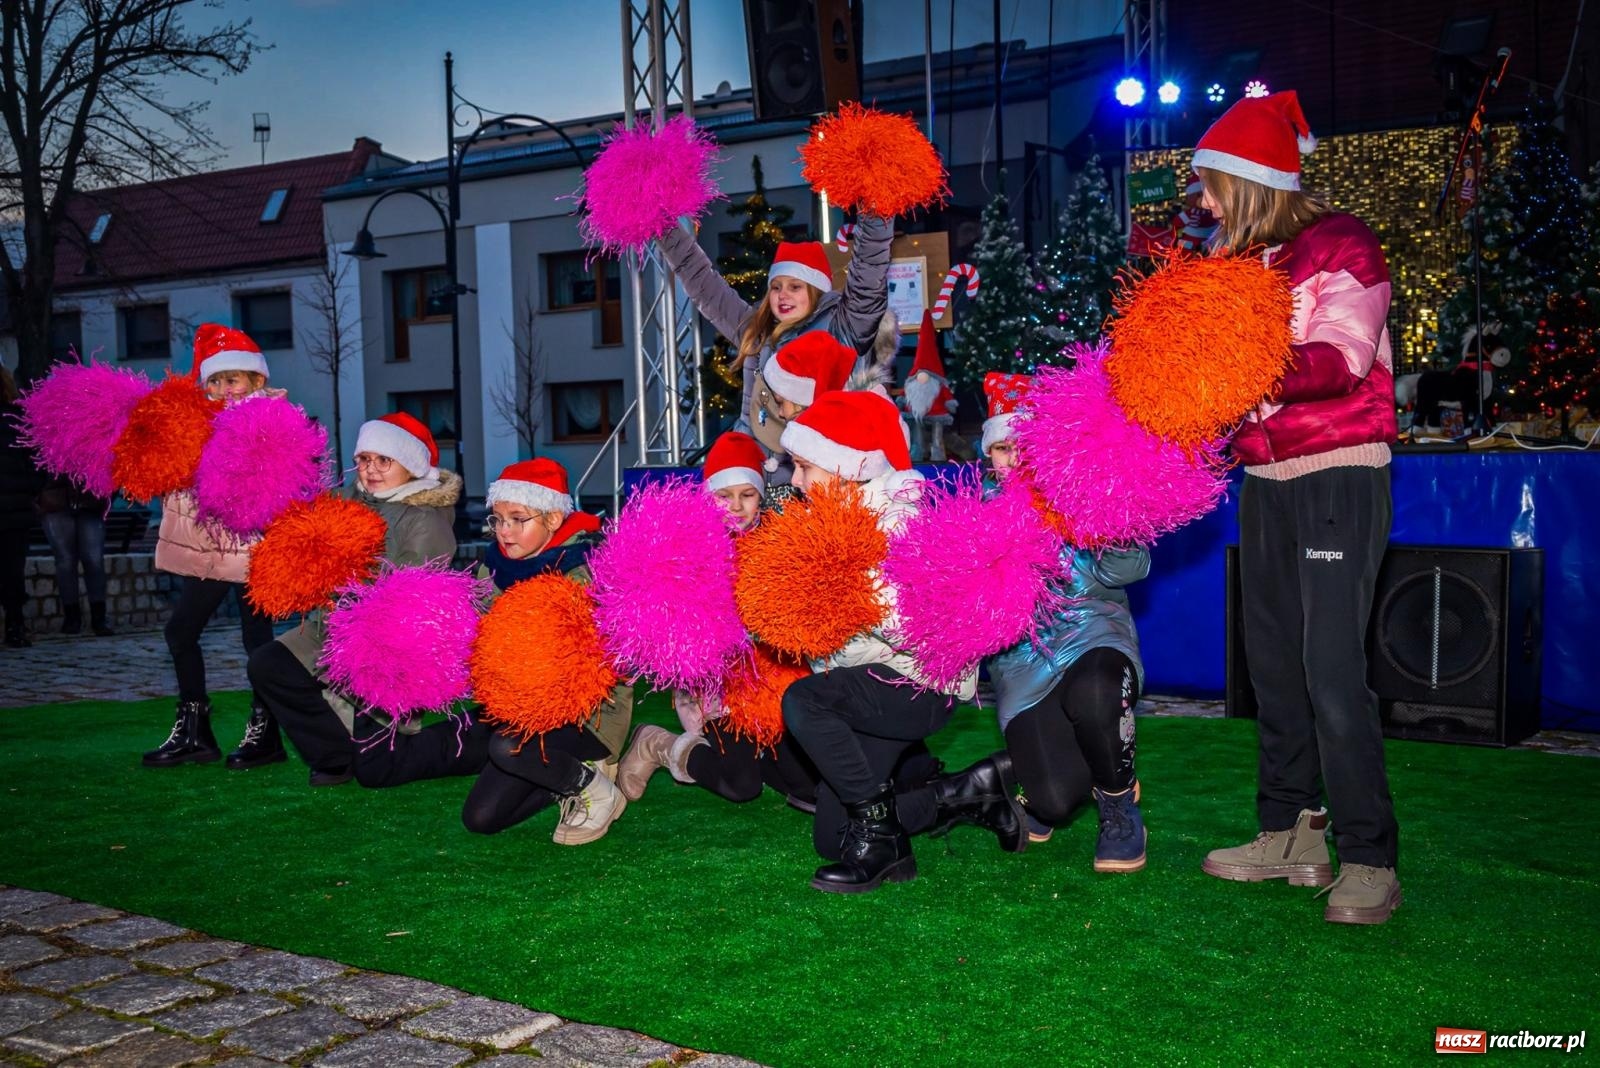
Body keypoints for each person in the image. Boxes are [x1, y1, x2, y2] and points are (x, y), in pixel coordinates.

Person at [1190, 90, 1402, 925]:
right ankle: (1290, 834)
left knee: (1330, 673)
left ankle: (1371, 854)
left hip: (1338, 473)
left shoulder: (1338, 242)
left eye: (1211, 187)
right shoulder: (1235, 266)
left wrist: (1230, 366)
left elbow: (1341, 358)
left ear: (1248, 184)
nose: (1202, 205)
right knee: (1272, 669)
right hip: (1266, 485)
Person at [777, 390, 1027, 894]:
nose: (795, 481)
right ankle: (966, 791)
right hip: (861, 678)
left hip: (918, 683)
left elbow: (921, 627)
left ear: (845, 466)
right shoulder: (825, 517)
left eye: (805, 467)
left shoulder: (906, 515)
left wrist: (839, 587)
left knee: (802, 702)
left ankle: (882, 838)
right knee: (832, 839)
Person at [979, 372, 1149, 871]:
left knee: (1095, 691)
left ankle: (1118, 800)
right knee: (1053, 803)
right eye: (1001, 450)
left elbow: (1130, 570)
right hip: (1022, 666)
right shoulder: (974, 517)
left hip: (1093, 637)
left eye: (1023, 448)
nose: (1012, 462)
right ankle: (1073, 761)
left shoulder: (1079, 496)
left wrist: (1110, 521)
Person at [246, 412, 461, 785]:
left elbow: (416, 595)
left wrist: (350, 580)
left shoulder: (424, 518)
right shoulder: (341, 501)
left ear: (409, 465)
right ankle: (333, 756)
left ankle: (391, 736)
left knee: (382, 766)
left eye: (384, 460)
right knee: (268, 664)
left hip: (385, 639)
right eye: (364, 459)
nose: (371, 470)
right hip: (328, 623)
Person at [616, 431, 820, 810]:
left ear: (761, 495)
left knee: (811, 792)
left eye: (748, 494)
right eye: (724, 496)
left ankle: (762, 755)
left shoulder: (780, 544)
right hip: (716, 693)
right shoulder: (687, 553)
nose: (737, 506)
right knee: (740, 786)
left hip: (774, 686)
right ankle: (655, 742)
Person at [460, 458, 636, 846]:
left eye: (518, 519)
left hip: (589, 716)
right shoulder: (494, 568)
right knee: (481, 818)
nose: (504, 531)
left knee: (507, 746)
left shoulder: (585, 570)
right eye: (497, 519)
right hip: (522, 709)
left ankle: (593, 785)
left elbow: (616, 659)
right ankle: (565, 777)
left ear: (554, 519)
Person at [655, 214, 892, 479]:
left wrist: (876, 211)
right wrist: (660, 224)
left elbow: (868, 279)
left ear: (815, 291)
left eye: (795, 287)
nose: (782, 295)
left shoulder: (843, 329)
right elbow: (705, 286)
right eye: (776, 287)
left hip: (819, 482)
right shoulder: (757, 332)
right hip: (756, 482)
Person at [144, 326, 286, 768]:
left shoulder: (271, 420)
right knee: (185, 632)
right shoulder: (199, 424)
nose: (224, 390)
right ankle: (198, 733)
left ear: (256, 381)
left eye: (234, 380)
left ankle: (262, 734)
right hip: (216, 548)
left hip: (252, 548)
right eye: (215, 381)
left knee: (254, 639)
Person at [1, 365, 46, 649]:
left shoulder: (17, 419)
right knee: (12, 570)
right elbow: (38, 464)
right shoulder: (17, 420)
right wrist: (30, 489)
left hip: (13, 508)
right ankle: (15, 625)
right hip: (15, 511)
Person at [36, 476, 113, 637]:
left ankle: (98, 618)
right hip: (56, 502)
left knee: (93, 559)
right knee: (65, 561)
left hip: (91, 501)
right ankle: (72, 618)